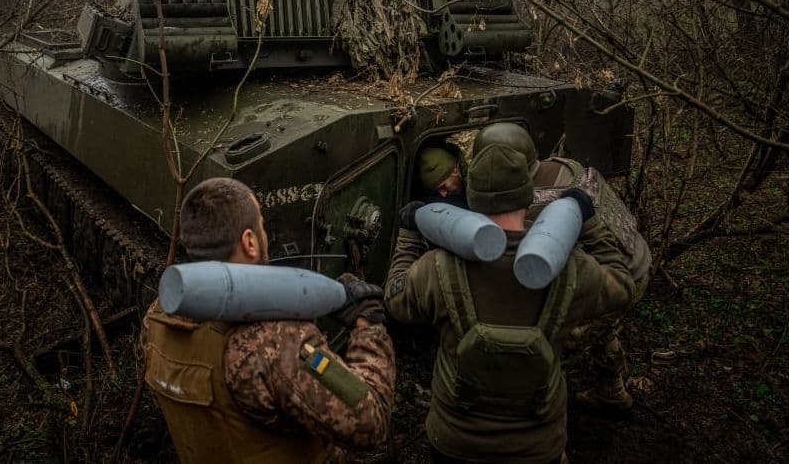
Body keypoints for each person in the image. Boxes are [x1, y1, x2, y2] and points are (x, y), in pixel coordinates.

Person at [385, 144, 635, 463]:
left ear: (472, 198)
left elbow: (395, 298)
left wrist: (408, 236)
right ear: (529, 197)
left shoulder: (436, 267)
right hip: (537, 445)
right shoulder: (572, 268)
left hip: (455, 441)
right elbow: (623, 285)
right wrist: (588, 224)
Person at [141, 177, 396, 463]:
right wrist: (368, 327)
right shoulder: (277, 342)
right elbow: (369, 423)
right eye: (261, 225)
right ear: (249, 241)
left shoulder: (159, 316)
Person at [473, 122, 652, 409]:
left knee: (558, 336)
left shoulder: (534, 205)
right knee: (603, 327)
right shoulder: (567, 166)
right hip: (637, 257)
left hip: (619, 277)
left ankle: (538, 409)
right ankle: (612, 389)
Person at [415, 142, 467, 208]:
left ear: (454, 171)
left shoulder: (478, 179)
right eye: (438, 190)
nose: (443, 195)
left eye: (443, 187)